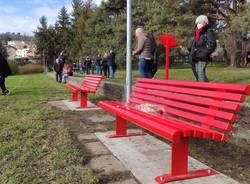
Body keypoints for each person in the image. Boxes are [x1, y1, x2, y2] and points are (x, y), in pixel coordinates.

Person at [187, 15, 217, 82]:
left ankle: (203, 90)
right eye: (197, 23)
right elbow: (194, 45)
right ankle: (206, 88)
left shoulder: (208, 31)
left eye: (200, 23)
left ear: (205, 23)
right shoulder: (196, 33)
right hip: (194, 56)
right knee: (197, 74)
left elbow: (212, 45)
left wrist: (204, 53)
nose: (198, 25)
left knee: (200, 73)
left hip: (203, 57)